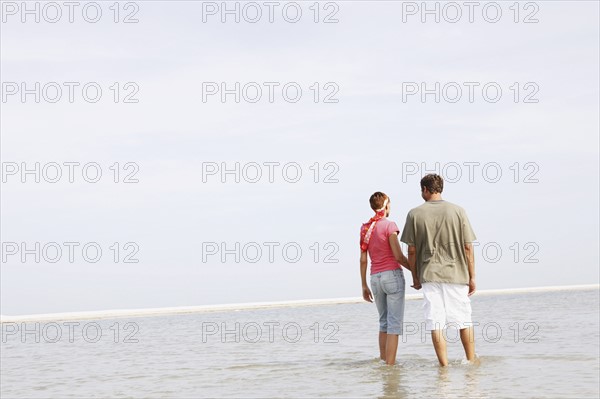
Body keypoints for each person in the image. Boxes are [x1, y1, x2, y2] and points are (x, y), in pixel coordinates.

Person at [400, 174, 477, 366]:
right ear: (440, 188)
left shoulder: (414, 214)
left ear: (425, 189)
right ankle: (471, 361)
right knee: (464, 321)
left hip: (429, 275)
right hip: (457, 273)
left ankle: (444, 367)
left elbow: (411, 250)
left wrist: (415, 276)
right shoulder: (458, 211)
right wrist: (472, 276)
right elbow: (468, 246)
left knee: (436, 322)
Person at [360, 192, 419, 365]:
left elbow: (363, 259)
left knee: (383, 322)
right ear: (386, 206)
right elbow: (399, 256)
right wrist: (415, 273)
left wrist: (364, 285)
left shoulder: (365, 228)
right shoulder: (390, 226)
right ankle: (390, 367)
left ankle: (384, 361)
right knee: (394, 324)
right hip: (392, 276)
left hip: (374, 279)